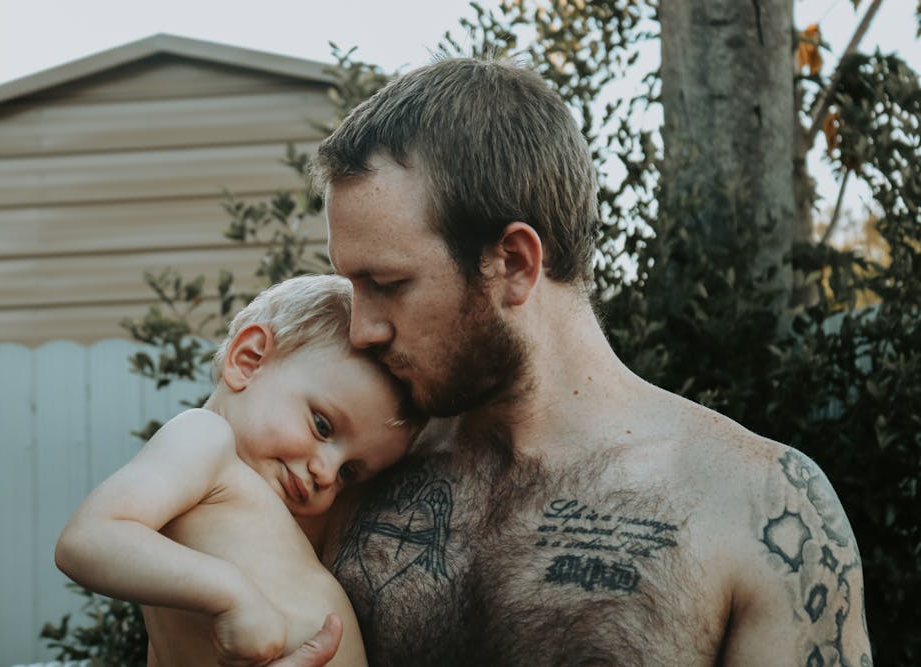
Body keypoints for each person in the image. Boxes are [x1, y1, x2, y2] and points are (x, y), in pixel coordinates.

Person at [274, 57, 873, 666]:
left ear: (512, 262)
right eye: (352, 285)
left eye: (387, 282)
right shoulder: (345, 469)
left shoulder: (759, 506)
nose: (362, 329)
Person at [55, 274, 423, 667]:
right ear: (248, 360)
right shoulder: (204, 436)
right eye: (322, 425)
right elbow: (87, 539)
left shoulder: (256, 501)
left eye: (350, 471)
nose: (327, 473)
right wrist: (233, 596)